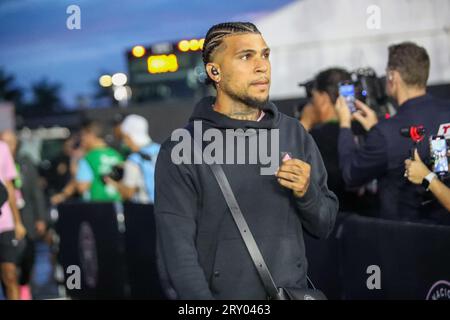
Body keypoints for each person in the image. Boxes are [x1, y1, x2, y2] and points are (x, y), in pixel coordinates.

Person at [154, 22, 338, 300]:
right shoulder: (182, 148)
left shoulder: (293, 133)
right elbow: (178, 254)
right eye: (246, 56)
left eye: (265, 55)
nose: (262, 66)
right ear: (214, 71)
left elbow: (324, 225)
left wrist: (306, 192)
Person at [335, 42, 450, 222]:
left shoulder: (386, 133)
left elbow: (350, 175)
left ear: (392, 76)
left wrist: (344, 125)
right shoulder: (446, 111)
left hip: (405, 237)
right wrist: (377, 127)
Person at [300, 68, 377, 214]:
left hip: (338, 221)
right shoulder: (369, 127)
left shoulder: (317, 136)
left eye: (314, 97)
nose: (312, 103)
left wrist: (304, 123)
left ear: (323, 98)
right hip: (372, 216)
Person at [1, 130, 48, 299]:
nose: (8, 145)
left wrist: (38, 218)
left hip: (16, 218)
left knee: (19, 263)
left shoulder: (24, 161)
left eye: (11, 142)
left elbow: (15, 189)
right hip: (10, 218)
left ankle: (24, 288)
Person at [104, 114, 160, 204]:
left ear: (130, 136)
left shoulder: (134, 160)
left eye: (125, 138)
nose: (125, 143)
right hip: (166, 209)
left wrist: (114, 183)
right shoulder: (161, 150)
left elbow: (128, 193)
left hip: (146, 211)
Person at [0, 140, 26, 300]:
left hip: (5, 223)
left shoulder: (2, 148)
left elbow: (8, 186)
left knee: (10, 274)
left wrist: (17, 221)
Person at [75, 120, 124, 202]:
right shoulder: (116, 154)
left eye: (82, 135)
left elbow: (82, 187)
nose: (81, 140)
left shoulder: (88, 158)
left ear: (90, 135)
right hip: (118, 204)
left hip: (97, 206)